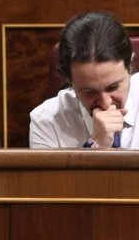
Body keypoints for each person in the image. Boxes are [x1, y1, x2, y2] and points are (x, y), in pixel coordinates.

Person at [30, 10, 139, 149]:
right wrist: (96, 143)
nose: (105, 103)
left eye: (113, 87)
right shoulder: (46, 121)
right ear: (70, 80)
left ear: (129, 65)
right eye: (89, 91)